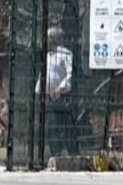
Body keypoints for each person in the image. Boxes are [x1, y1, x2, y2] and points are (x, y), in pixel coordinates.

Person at [42, 27, 75, 157]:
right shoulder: (48, 55)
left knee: (63, 126)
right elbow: (43, 74)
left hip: (62, 96)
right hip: (49, 96)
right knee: (51, 126)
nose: (47, 41)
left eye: (50, 38)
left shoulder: (65, 54)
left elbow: (70, 74)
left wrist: (61, 88)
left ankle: (67, 152)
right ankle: (55, 153)